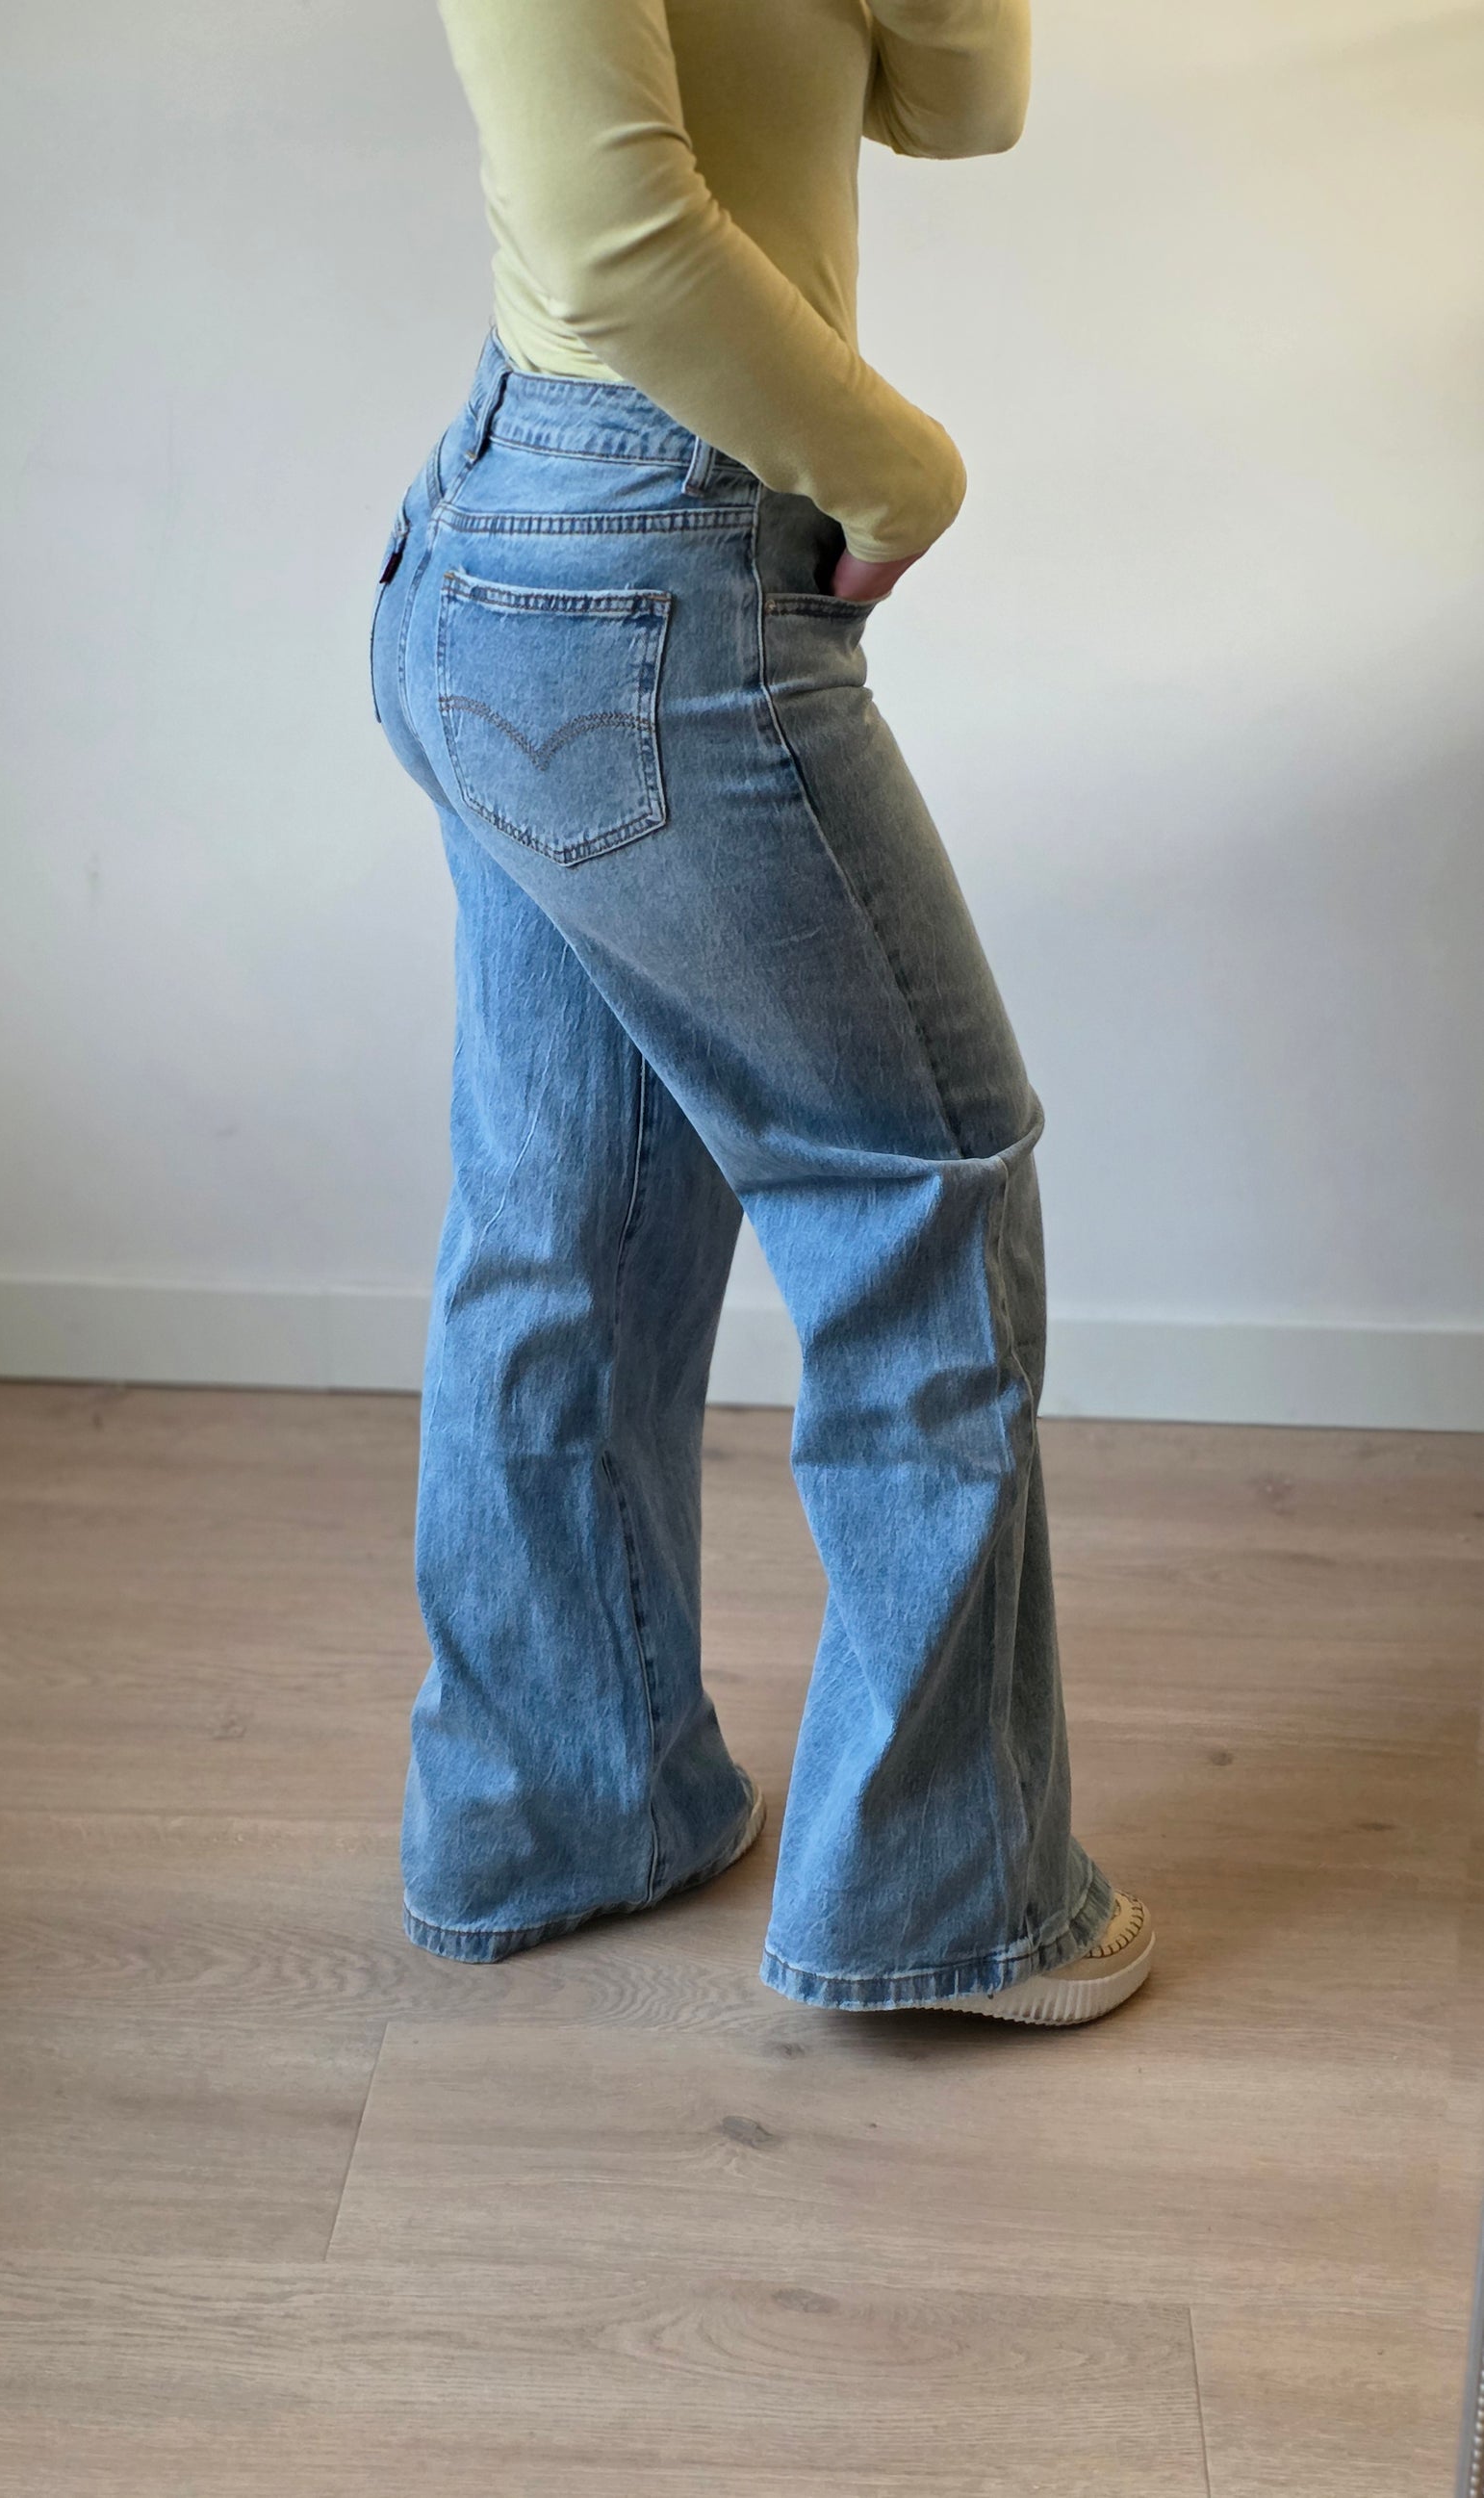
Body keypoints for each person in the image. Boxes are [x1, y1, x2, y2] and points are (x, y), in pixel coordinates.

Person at [368, 0, 1153, 2025]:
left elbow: (959, 101)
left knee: (570, 1217)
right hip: (640, 554)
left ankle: (562, 1812)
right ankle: (944, 1906)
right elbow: (609, 233)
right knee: (919, 1190)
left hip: (561, 566)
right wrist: (902, 472)